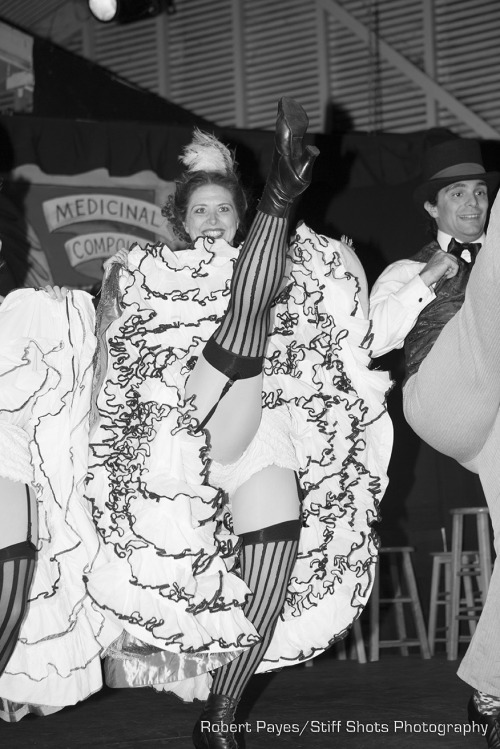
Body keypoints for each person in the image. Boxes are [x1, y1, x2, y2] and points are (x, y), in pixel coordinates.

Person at [84, 98, 392, 749]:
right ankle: (285, 187)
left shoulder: (283, 269)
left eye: (226, 209)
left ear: (239, 218)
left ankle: (222, 712)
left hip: (259, 424)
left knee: (273, 566)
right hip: (189, 424)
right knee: (242, 324)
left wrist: (340, 278)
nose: (214, 218)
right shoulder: (149, 273)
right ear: (179, 219)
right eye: (201, 209)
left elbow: (348, 336)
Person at [369, 137, 500, 749]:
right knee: (485, 294)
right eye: (458, 194)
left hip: (492, 412)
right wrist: (429, 276)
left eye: (481, 192)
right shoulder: (407, 266)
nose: (473, 203)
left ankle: (490, 686)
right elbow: (372, 340)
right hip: (439, 395)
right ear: (432, 208)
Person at [0, 276, 120, 722]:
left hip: (10, 456)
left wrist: (58, 315)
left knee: (13, 595)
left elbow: (54, 396)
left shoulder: (20, 314)